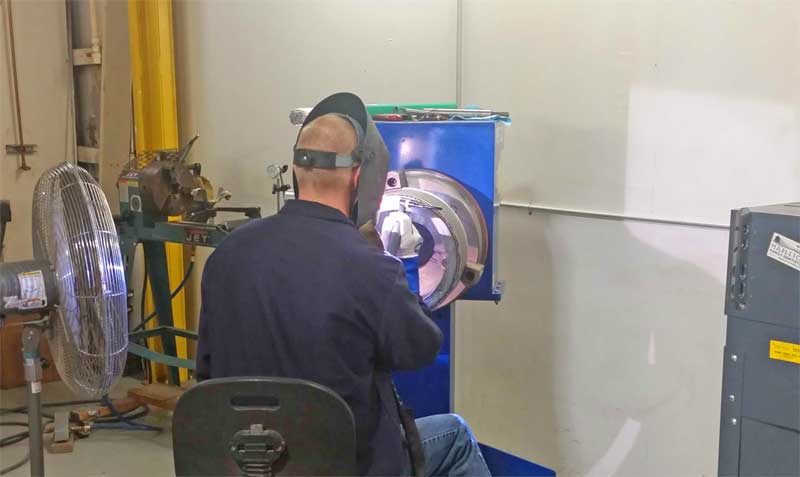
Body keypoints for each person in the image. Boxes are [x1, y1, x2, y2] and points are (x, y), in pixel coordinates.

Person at [196, 93, 490, 477]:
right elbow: (421, 350)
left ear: (297, 169)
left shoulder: (226, 256)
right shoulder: (371, 270)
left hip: (251, 461)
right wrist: (405, 265)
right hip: (347, 465)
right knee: (454, 435)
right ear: (358, 176)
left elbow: (206, 372)